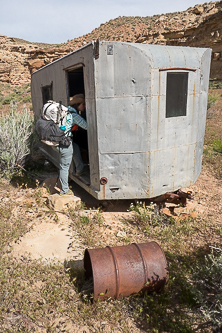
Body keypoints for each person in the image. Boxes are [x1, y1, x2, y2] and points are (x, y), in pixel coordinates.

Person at [52, 94, 87, 196]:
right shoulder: (74, 115)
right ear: (78, 105)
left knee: (75, 148)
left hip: (55, 140)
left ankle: (79, 170)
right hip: (63, 142)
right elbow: (87, 126)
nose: (84, 107)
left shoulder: (64, 111)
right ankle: (64, 191)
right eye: (83, 104)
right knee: (64, 167)